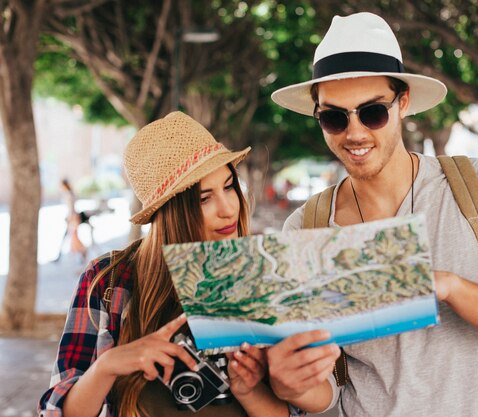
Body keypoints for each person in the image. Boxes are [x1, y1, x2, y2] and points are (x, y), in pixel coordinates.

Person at [266, 12, 478, 417]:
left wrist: (448, 287)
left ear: (403, 102)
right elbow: (331, 396)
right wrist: (294, 386)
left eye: (372, 112)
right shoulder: (307, 226)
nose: (354, 133)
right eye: (334, 117)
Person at [39, 112, 291, 417]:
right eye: (203, 199)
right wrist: (107, 366)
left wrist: (248, 389)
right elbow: (55, 412)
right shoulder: (109, 281)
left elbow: (292, 410)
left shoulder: (262, 271)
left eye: (228, 187)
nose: (228, 209)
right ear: (169, 213)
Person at [55, 178, 90, 263]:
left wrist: (69, 218)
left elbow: (71, 209)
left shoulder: (68, 195)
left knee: (74, 237)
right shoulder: (70, 194)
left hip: (72, 218)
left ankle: (83, 251)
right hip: (73, 218)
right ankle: (80, 253)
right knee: (72, 237)